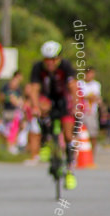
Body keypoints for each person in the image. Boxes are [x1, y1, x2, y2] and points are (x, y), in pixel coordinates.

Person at [25, 41, 79, 189]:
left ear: (58, 59)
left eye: (53, 59)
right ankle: (46, 142)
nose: (49, 63)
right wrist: (35, 106)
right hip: (47, 100)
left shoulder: (65, 67)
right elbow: (34, 89)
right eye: (47, 59)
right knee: (40, 109)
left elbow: (73, 87)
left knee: (68, 136)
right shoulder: (38, 68)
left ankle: (69, 171)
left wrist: (75, 106)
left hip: (63, 100)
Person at [77, 67, 102, 151]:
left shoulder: (96, 85)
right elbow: (80, 96)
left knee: (93, 133)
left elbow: (96, 97)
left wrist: (88, 97)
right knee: (78, 133)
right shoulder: (80, 83)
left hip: (92, 112)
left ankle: (92, 153)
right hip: (81, 111)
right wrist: (89, 97)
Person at [1, 71, 24, 154]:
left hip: (15, 111)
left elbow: (20, 100)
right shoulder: (7, 87)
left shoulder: (18, 89)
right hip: (8, 110)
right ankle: (8, 145)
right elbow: (2, 97)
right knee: (7, 129)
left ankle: (12, 145)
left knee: (14, 128)